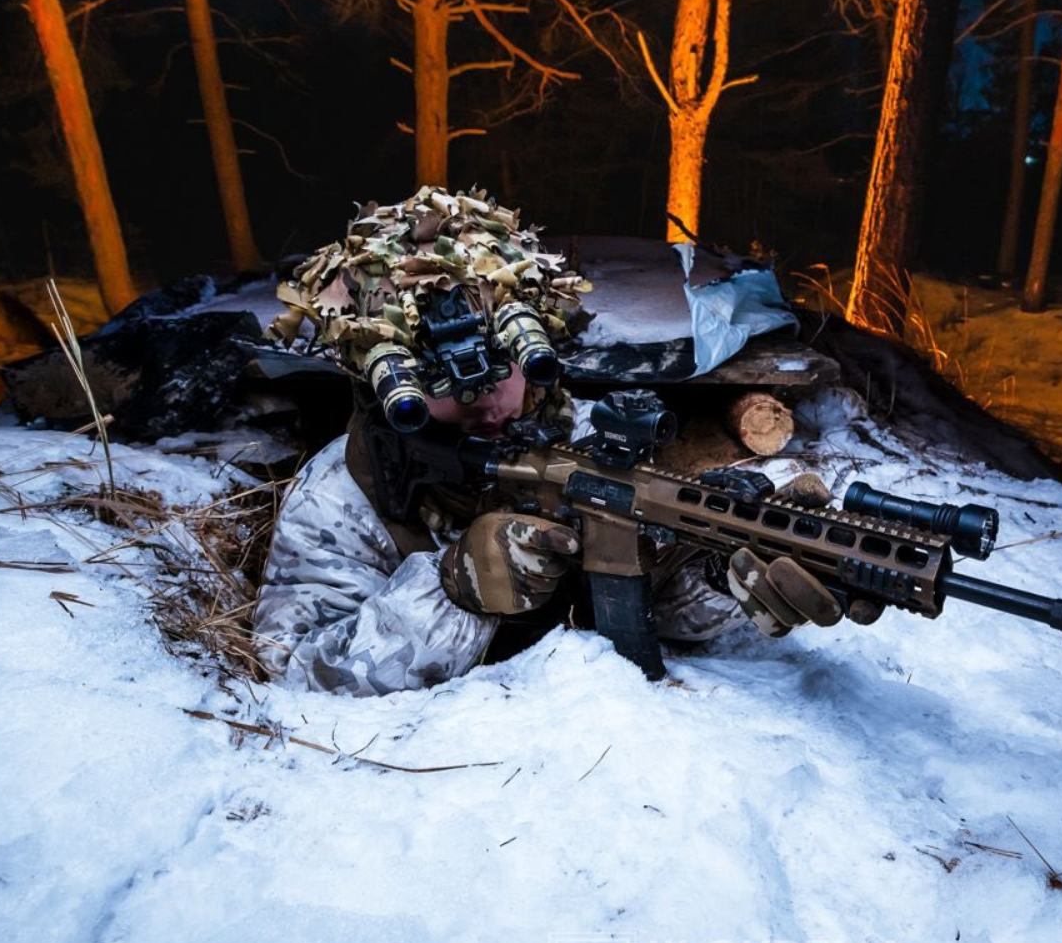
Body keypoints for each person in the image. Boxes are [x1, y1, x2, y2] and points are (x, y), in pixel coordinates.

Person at [251, 187, 858, 697]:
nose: (487, 399)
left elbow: (658, 611)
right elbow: (294, 669)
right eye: (441, 379)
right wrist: (452, 589)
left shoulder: (589, 435)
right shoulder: (342, 494)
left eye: (505, 364)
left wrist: (721, 570)